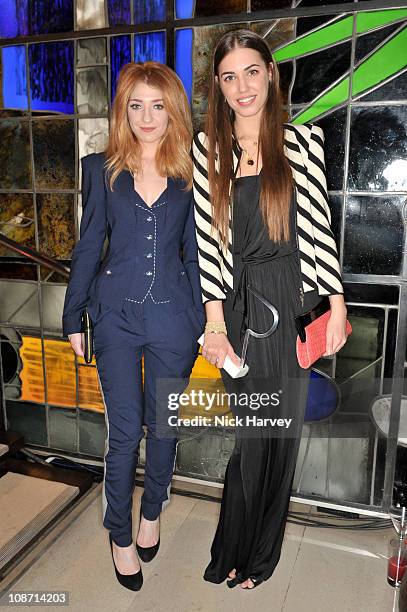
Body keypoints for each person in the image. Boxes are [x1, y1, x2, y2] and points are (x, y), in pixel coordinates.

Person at [192, 29, 349, 590]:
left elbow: (317, 230)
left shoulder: (303, 141)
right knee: (252, 437)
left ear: (270, 75)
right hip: (237, 308)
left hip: (292, 301)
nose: (242, 87)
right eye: (230, 76)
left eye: (251, 72)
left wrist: (337, 307)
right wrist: (214, 325)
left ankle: (259, 557)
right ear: (219, 85)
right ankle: (234, 548)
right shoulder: (207, 148)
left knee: (279, 436)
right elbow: (209, 243)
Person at [63, 61, 205, 591]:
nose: (146, 116)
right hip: (116, 317)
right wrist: (73, 314)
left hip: (175, 320)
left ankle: (154, 510)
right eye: (135, 104)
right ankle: (120, 534)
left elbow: (197, 254)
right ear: (124, 109)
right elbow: (86, 246)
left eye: (158, 104)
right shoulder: (101, 169)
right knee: (123, 435)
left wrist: (201, 318)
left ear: (173, 109)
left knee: (163, 429)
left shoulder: (193, 173)